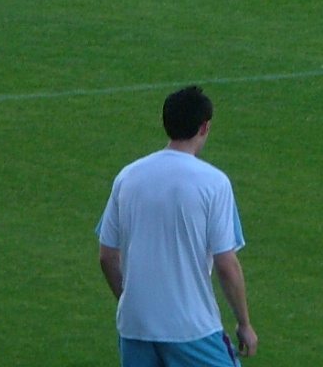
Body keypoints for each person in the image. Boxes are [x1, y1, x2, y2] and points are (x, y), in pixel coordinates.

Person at [97, 85, 257, 367]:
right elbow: (226, 264)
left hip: (135, 328)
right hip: (190, 329)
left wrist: (131, 300)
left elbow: (107, 255)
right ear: (204, 127)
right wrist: (244, 323)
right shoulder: (213, 183)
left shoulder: (128, 177)